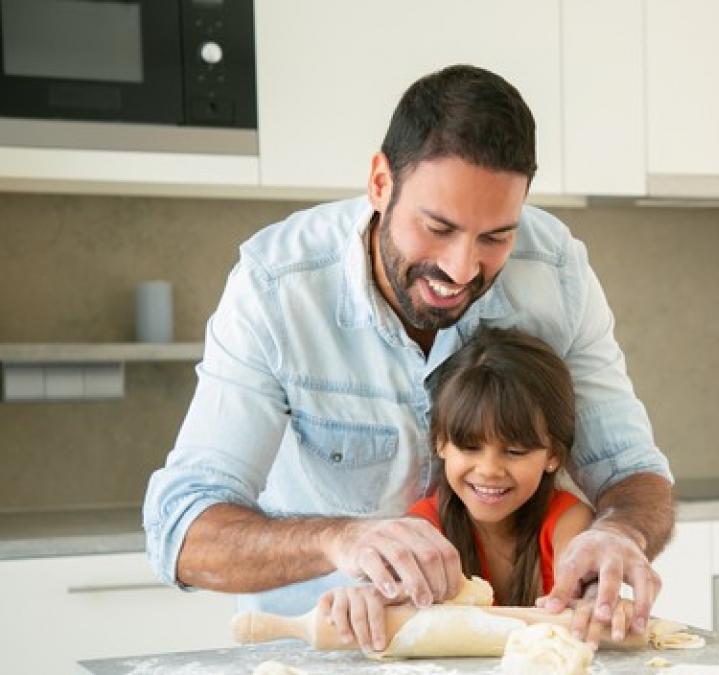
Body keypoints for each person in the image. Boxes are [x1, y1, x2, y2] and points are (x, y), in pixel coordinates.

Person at [142, 64, 674, 642]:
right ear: (379, 183)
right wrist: (339, 538)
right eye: (438, 226)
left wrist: (620, 534)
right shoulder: (276, 288)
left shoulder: (557, 274)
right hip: (326, 652)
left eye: (496, 237)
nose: (461, 268)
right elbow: (181, 530)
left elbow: (631, 472)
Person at [319, 327, 635, 652]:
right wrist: (371, 598)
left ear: (552, 455)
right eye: (470, 447)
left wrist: (597, 599)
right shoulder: (424, 528)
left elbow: (585, 587)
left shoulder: (567, 520)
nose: (488, 470)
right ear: (440, 443)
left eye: (514, 452)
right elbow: (394, 598)